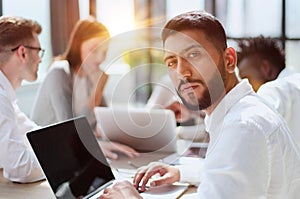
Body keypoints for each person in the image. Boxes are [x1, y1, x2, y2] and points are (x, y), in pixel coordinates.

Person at [99, 10, 300, 198]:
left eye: (194, 55)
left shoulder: (242, 127)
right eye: (171, 62)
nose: (182, 72)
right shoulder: (241, 113)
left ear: (229, 60)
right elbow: (233, 168)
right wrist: (180, 171)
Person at [31, 17, 139, 160]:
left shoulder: (90, 76)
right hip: (47, 153)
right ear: (78, 44)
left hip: (72, 151)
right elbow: (69, 129)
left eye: (104, 51)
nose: (100, 58)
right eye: (94, 50)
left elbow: (103, 120)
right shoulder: (60, 73)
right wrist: (97, 90)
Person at [0, 16, 45, 182]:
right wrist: (62, 161)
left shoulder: (6, 98)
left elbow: (33, 134)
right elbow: (20, 168)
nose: (40, 59)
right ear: (23, 52)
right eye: (38, 51)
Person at [237, 36, 300, 144]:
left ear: (266, 68)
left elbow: (253, 129)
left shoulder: (273, 89)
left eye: (246, 78)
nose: (245, 86)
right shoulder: (295, 82)